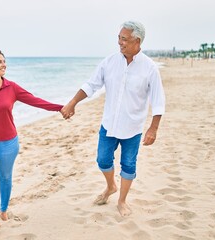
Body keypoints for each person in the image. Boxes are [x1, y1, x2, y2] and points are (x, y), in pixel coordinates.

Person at [61, 21, 165, 217]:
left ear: (137, 41)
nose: (120, 42)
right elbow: (91, 85)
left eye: (124, 39)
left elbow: (158, 100)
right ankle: (110, 187)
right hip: (109, 125)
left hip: (132, 128)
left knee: (128, 165)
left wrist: (153, 128)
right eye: (119, 37)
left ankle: (122, 200)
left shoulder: (149, 68)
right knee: (103, 160)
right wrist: (73, 102)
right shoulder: (109, 62)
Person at [0, 49, 63, 235]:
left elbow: (35, 101)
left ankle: (3, 208)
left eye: (4, 61)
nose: (4, 65)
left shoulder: (11, 87)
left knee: (6, 177)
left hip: (8, 142)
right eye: (0, 62)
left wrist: (60, 108)